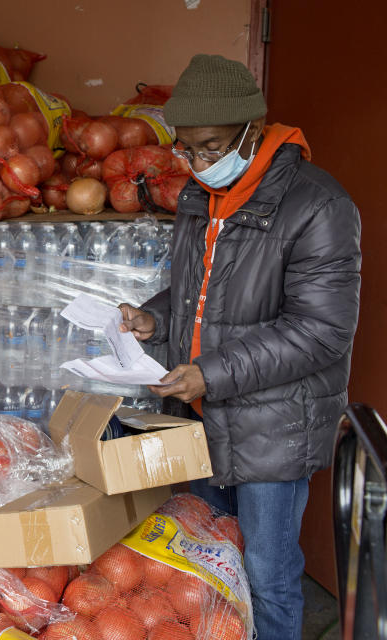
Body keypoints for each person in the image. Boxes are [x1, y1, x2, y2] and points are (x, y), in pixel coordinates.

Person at [119, 54, 361, 640]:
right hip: (203, 417)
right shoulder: (202, 198)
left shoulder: (318, 207)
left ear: (253, 132)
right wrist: (155, 321)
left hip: (273, 427)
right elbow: (201, 292)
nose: (199, 164)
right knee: (206, 562)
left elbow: (320, 330)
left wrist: (210, 374)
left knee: (266, 571)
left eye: (210, 148)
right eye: (187, 150)